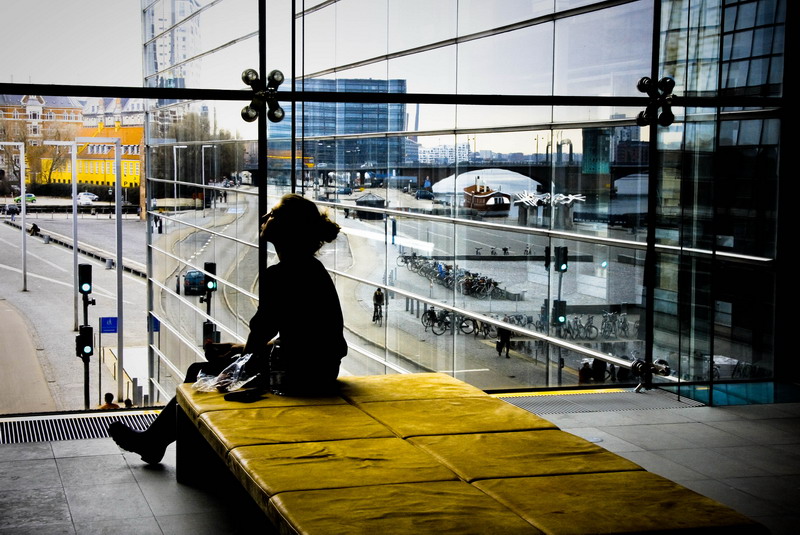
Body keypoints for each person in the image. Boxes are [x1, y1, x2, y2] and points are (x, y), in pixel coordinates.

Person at [109, 193, 347, 464]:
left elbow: (261, 332)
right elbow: (302, 336)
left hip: (300, 377)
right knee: (203, 371)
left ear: (288, 228)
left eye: (273, 214)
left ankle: (157, 444)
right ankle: (155, 442)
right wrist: (237, 350)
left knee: (201, 374)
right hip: (318, 371)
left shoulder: (282, 274)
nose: (264, 218)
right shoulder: (311, 269)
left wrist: (239, 367)